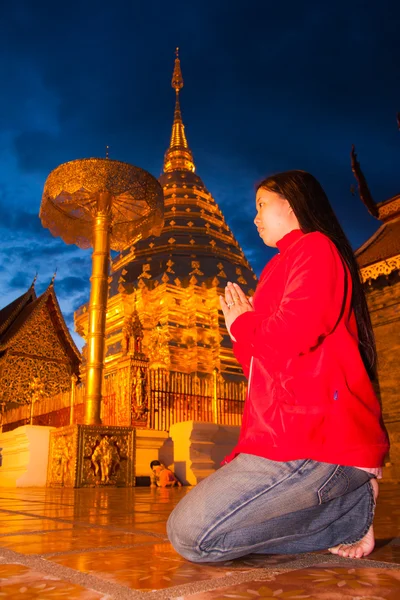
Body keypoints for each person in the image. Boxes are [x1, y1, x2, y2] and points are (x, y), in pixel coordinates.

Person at [167, 170, 389, 563]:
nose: (254, 217)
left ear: (290, 204)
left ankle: (346, 511)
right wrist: (239, 332)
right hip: (277, 434)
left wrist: (244, 323)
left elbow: (293, 334)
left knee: (191, 536)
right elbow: (260, 361)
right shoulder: (274, 269)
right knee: (190, 536)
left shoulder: (316, 249)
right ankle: (343, 510)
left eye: (262, 205)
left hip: (317, 438)